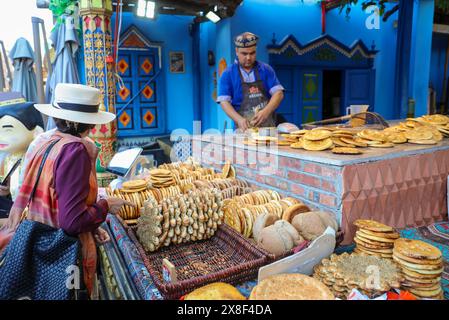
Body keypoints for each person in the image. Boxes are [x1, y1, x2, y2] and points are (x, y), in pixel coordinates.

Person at [0, 83, 134, 296]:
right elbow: (72, 222)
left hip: (38, 239)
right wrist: (105, 206)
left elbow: (59, 200)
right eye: (90, 123)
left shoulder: (45, 141)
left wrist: (91, 224)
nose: (92, 128)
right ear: (77, 122)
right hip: (61, 252)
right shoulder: (75, 151)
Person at [217, 32, 285, 131]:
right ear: (236, 51)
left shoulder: (266, 69)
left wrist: (266, 111)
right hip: (243, 130)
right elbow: (224, 102)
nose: (248, 58)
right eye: (244, 54)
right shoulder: (228, 74)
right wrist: (239, 119)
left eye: (252, 53)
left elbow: (279, 94)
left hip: (268, 130)